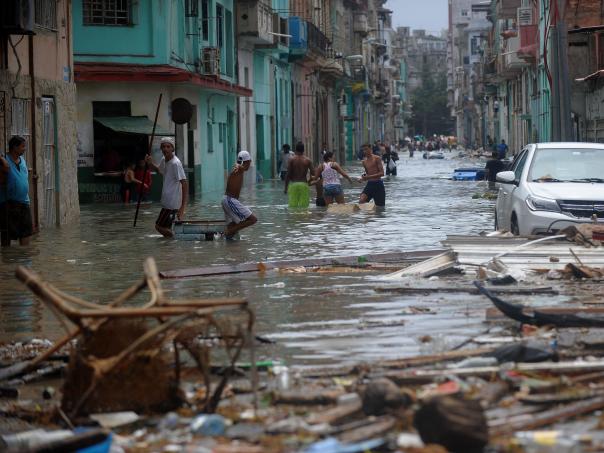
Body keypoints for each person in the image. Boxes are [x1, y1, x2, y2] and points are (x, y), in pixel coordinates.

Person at [145, 137, 188, 237]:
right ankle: (172, 244)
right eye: (163, 147)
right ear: (161, 148)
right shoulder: (164, 159)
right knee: (166, 227)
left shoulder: (176, 163)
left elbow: (184, 183)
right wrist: (150, 163)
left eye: (168, 147)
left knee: (159, 226)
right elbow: (160, 171)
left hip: (172, 204)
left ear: (173, 149)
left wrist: (182, 207)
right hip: (167, 201)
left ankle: (177, 238)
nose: (165, 149)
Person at [0, 136, 33, 246]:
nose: (25, 149)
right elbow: (4, 173)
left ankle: (24, 254)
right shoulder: (4, 160)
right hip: (9, 203)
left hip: (24, 202)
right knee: (7, 233)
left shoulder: (22, 160)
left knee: (26, 232)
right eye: (22, 146)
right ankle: (8, 255)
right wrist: (3, 160)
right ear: (15, 147)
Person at [222, 150, 257, 239]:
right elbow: (241, 167)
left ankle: (224, 235)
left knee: (237, 223)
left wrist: (238, 165)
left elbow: (240, 166)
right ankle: (228, 232)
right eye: (249, 162)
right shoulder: (239, 169)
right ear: (248, 161)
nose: (250, 164)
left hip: (228, 200)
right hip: (230, 200)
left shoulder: (238, 170)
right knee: (253, 219)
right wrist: (238, 165)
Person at [284, 142, 313, 208]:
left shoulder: (291, 160)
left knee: (293, 207)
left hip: (294, 184)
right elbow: (313, 174)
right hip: (304, 184)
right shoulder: (308, 160)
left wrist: (286, 188)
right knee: (304, 207)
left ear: (296, 150)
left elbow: (288, 174)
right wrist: (309, 181)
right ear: (303, 150)